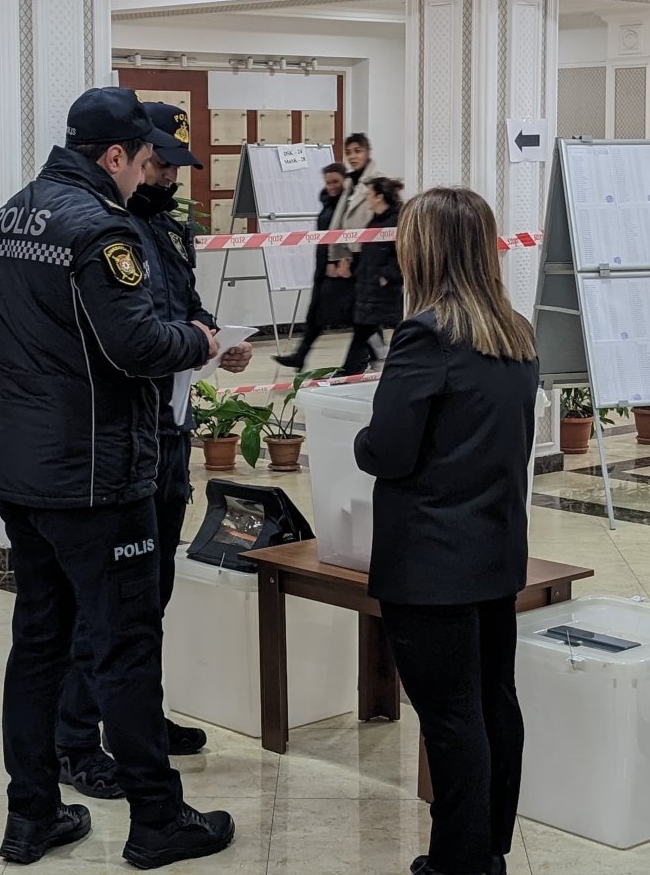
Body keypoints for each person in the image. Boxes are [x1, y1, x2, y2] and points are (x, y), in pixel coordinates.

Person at [0, 86, 235, 869]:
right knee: (125, 646)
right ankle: (157, 820)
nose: (146, 177)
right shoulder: (101, 229)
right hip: (97, 474)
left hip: (25, 470)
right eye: (141, 162)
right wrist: (199, 341)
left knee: (38, 643)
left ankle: (32, 817)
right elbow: (136, 347)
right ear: (114, 157)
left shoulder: (10, 217)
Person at [53, 102, 253, 793]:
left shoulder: (167, 231)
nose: (168, 176)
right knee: (106, 601)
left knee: (151, 592)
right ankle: (77, 740)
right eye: (159, 163)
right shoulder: (103, 228)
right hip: (117, 437)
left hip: (168, 431)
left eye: (175, 166)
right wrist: (184, 340)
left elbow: (188, 308)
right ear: (132, 156)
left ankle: (138, 717)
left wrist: (211, 340)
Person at [353, 187, 539, 875]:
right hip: (494, 553)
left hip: (429, 564)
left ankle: (457, 865)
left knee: (451, 719)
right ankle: (485, 851)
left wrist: (362, 445)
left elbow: (389, 451)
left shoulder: (426, 334)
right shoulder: (514, 333)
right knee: (494, 704)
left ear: (422, 250)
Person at [274, 161, 351, 369]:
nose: (331, 186)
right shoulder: (328, 203)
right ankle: (300, 356)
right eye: (328, 182)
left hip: (340, 272)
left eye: (336, 181)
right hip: (323, 267)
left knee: (358, 321)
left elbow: (348, 236)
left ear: (345, 180)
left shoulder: (348, 205)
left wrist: (340, 262)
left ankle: (364, 358)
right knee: (315, 315)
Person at [339, 176, 404, 377]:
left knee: (387, 328)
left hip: (384, 289)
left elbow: (402, 255)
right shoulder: (375, 221)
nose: (367, 197)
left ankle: (355, 370)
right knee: (363, 330)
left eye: (369, 194)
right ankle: (357, 369)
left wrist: (386, 276)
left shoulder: (395, 221)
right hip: (368, 287)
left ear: (379, 196)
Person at [325, 132, 379, 277]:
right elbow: (341, 219)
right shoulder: (350, 182)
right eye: (348, 153)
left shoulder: (377, 182)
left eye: (357, 151)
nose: (352, 157)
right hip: (350, 253)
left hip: (370, 253)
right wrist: (339, 256)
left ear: (367, 152)